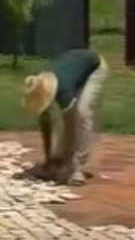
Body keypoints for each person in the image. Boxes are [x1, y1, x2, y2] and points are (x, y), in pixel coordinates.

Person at [21, 49, 108, 186]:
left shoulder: (64, 90)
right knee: (69, 116)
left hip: (94, 67)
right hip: (74, 67)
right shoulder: (39, 85)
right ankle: (58, 159)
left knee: (81, 113)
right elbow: (46, 124)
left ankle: (77, 167)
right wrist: (48, 160)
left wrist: (69, 167)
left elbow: (71, 127)